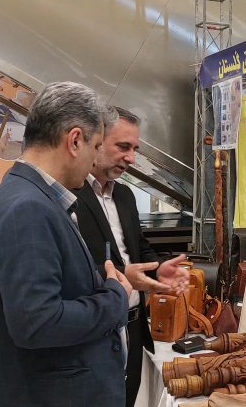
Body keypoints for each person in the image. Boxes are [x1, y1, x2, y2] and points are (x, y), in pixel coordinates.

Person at [0, 82, 133, 406]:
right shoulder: (28, 208)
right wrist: (115, 298)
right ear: (75, 140)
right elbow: (38, 322)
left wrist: (102, 278)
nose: (95, 158)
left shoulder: (26, 195)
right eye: (96, 146)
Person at [73, 107, 190, 407]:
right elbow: (70, 266)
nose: (131, 158)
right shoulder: (69, 196)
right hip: (96, 332)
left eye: (135, 149)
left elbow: (138, 247)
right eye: (123, 147)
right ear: (96, 141)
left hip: (134, 327)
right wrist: (121, 275)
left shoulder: (124, 195)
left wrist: (158, 269)